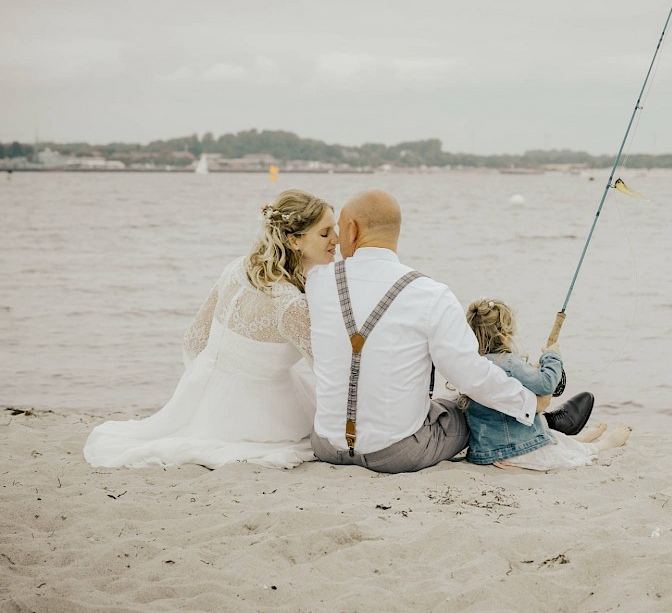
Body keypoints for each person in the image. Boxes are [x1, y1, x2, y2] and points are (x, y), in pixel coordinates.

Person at [308, 188, 584, 474]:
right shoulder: (430, 294)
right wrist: (530, 401)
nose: (338, 239)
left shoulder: (317, 281)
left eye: (339, 230)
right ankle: (544, 422)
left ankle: (542, 421)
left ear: (352, 230)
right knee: (468, 409)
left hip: (327, 446)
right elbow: (469, 375)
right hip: (396, 454)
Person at [84, 189, 336, 469]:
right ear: (294, 240)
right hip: (260, 412)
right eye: (325, 233)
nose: (335, 240)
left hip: (201, 387)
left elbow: (194, 338)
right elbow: (328, 372)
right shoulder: (291, 305)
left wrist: (202, 391)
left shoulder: (237, 269)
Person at [462, 299, 631, 470]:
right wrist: (553, 356)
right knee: (574, 455)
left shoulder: (474, 366)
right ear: (504, 337)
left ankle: (578, 440)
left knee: (554, 438)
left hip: (484, 450)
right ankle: (604, 444)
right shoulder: (509, 363)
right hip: (514, 449)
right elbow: (546, 384)